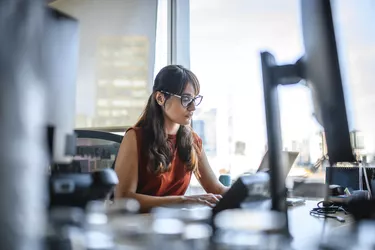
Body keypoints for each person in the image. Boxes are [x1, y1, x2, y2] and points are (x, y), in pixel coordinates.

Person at [114, 65, 229, 212]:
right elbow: (123, 198)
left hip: (173, 226)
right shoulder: (135, 137)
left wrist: (253, 191)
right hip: (139, 228)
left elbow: (217, 189)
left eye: (195, 99)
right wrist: (184, 201)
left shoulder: (193, 141)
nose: (193, 107)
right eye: (186, 99)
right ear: (160, 98)